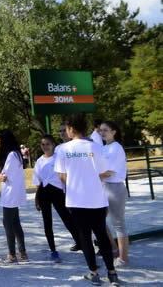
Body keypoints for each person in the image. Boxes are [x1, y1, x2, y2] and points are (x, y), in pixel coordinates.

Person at [54, 113, 120, 286]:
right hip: (97, 199)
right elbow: (105, 172)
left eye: (66, 129)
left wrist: (77, 182)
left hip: (76, 200)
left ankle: (94, 273)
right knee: (102, 236)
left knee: (85, 238)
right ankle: (112, 274)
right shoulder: (95, 147)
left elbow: (61, 175)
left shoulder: (63, 149)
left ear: (71, 129)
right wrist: (91, 180)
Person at [32, 135, 80, 262]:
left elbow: (65, 176)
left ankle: (79, 241)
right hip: (44, 192)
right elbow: (37, 181)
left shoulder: (58, 158)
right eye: (43, 144)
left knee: (67, 218)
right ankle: (53, 250)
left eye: (47, 144)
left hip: (57, 191)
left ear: (53, 145)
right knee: (47, 222)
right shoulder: (39, 161)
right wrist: (36, 198)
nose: (45, 147)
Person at [0, 129, 28, 265]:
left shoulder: (11, 156)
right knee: (15, 223)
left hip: (10, 195)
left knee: (8, 223)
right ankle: (22, 252)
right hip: (14, 193)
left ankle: (12, 255)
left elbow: (3, 176)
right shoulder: (16, 154)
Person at [99, 120, 129, 266]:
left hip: (115, 188)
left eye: (105, 130)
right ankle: (113, 248)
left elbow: (109, 171)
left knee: (118, 224)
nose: (102, 132)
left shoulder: (116, 148)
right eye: (101, 130)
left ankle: (123, 258)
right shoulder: (104, 148)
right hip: (103, 187)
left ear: (113, 132)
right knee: (98, 220)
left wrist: (90, 178)